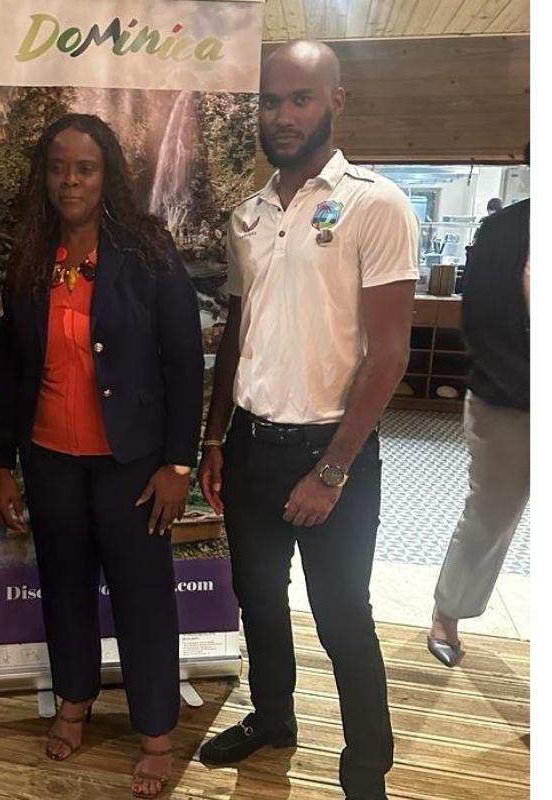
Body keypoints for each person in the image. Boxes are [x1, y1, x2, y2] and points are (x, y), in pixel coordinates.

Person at [197, 41, 418, 800]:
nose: (283, 115)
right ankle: (273, 718)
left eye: (300, 98)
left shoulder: (375, 204)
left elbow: (388, 355)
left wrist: (332, 470)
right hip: (253, 446)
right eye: (270, 100)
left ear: (335, 101)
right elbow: (236, 336)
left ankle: (366, 772)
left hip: (336, 454)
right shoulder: (248, 214)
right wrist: (217, 436)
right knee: (258, 600)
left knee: (341, 617)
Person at [0, 113, 203, 799]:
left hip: (132, 464)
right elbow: (14, 370)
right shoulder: (30, 254)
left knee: (143, 598)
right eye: (58, 166)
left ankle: (156, 733)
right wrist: (1, 463)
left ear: (108, 173)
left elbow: (183, 363)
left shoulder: (147, 250)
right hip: (51, 459)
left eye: (85, 167)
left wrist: (178, 463)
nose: (69, 180)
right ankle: (74, 700)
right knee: (66, 589)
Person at [427, 154, 530, 668]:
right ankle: (449, 610)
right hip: (508, 403)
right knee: (492, 513)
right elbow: (482, 325)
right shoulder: (503, 232)